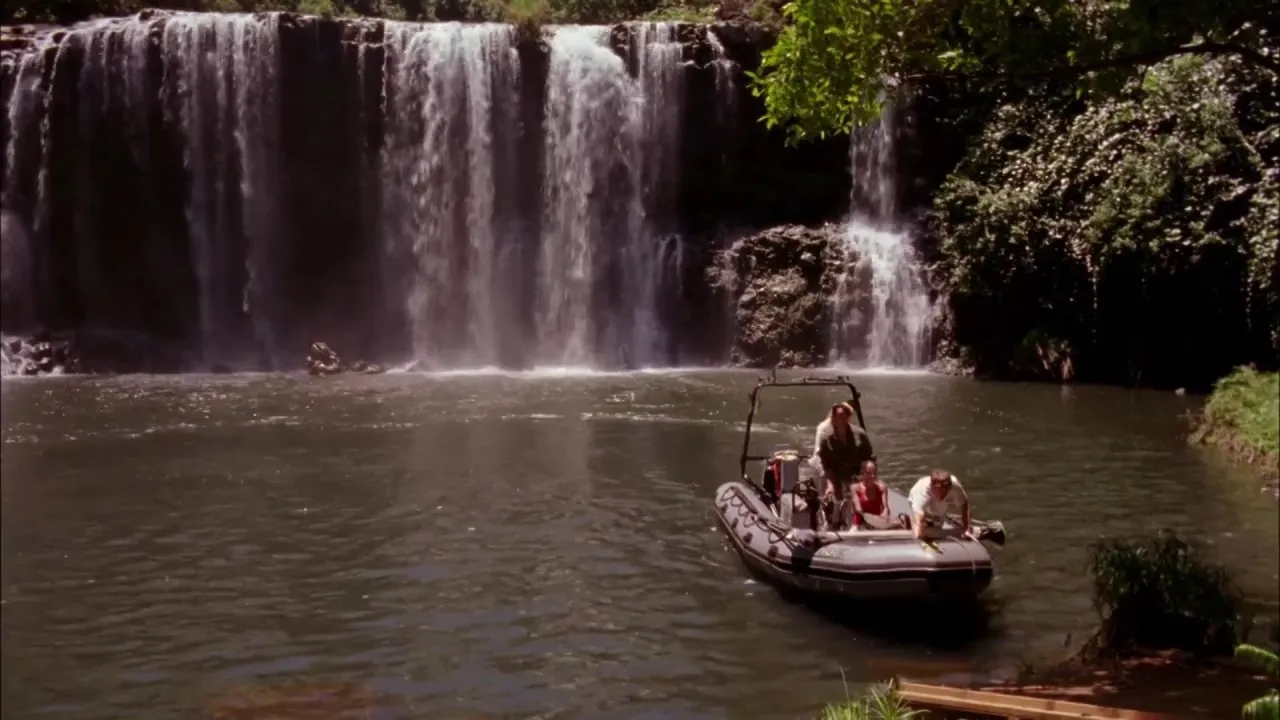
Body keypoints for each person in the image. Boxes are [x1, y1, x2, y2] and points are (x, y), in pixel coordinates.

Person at [812, 401, 874, 529]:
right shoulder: (826, 438)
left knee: (856, 494)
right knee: (833, 492)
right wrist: (830, 484)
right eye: (836, 416)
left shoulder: (859, 435)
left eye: (842, 416)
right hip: (834, 470)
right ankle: (831, 518)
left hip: (855, 470)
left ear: (848, 417)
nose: (839, 419)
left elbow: (868, 456)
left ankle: (856, 521)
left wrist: (868, 476)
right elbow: (826, 463)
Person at [907, 469, 971, 539]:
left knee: (937, 525)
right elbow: (919, 515)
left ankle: (931, 523)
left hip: (941, 505)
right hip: (920, 499)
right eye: (939, 490)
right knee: (922, 528)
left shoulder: (955, 486)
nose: (943, 493)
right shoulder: (921, 491)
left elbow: (964, 505)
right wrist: (918, 536)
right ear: (931, 486)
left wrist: (966, 528)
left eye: (946, 489)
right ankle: (909, 520)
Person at [851, 459, 896, 529]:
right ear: (862, 473)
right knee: (857, 519)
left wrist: (885, 513)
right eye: (868, 473)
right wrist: (866, 519)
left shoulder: (882, 487)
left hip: (876, 520)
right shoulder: (855, 488)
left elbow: (885, 507)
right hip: (860, 519)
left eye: (874, 473)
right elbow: (858, 508)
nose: (872, 476)